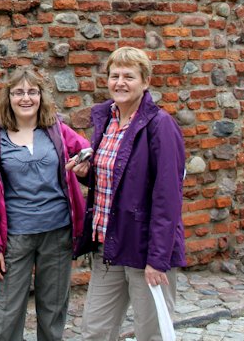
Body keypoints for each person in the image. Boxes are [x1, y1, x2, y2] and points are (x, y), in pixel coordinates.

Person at [70, 46, 186, 341]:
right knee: (95, 331)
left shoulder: (160, 125)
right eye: (114, 75)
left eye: (129, 76)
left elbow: (167, 198)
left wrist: (158, 259)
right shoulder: (107, 121)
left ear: (145, 82)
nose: (120, 82)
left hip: (144, 248)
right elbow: (119, 181)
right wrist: (89, 174)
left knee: (151, 334)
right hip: (106, 246)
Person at [0, 68, 90, 341]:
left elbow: (86, 151)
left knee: (53, 311)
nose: (26, 98)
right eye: (19, 92)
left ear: (40, 96)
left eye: (32, 92)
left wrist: (84, 162)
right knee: (4, 316)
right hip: (15, 239)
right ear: (8, 97)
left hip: (58, 234)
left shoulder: (56, 129)